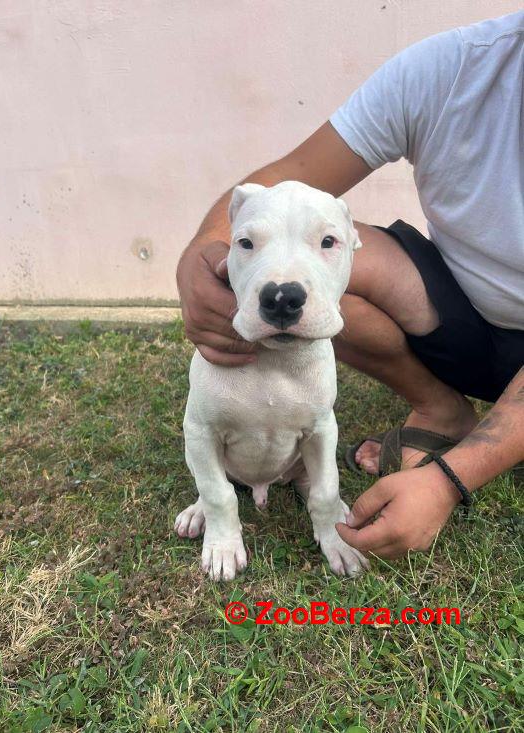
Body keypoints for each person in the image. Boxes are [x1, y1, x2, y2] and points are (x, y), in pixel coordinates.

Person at [176, 11, 524, 560]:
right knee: (326, 242)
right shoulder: (452, 69)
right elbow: (291, 175)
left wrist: (449, 480)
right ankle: (439, 407)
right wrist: (199, 254)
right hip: (468, 312)